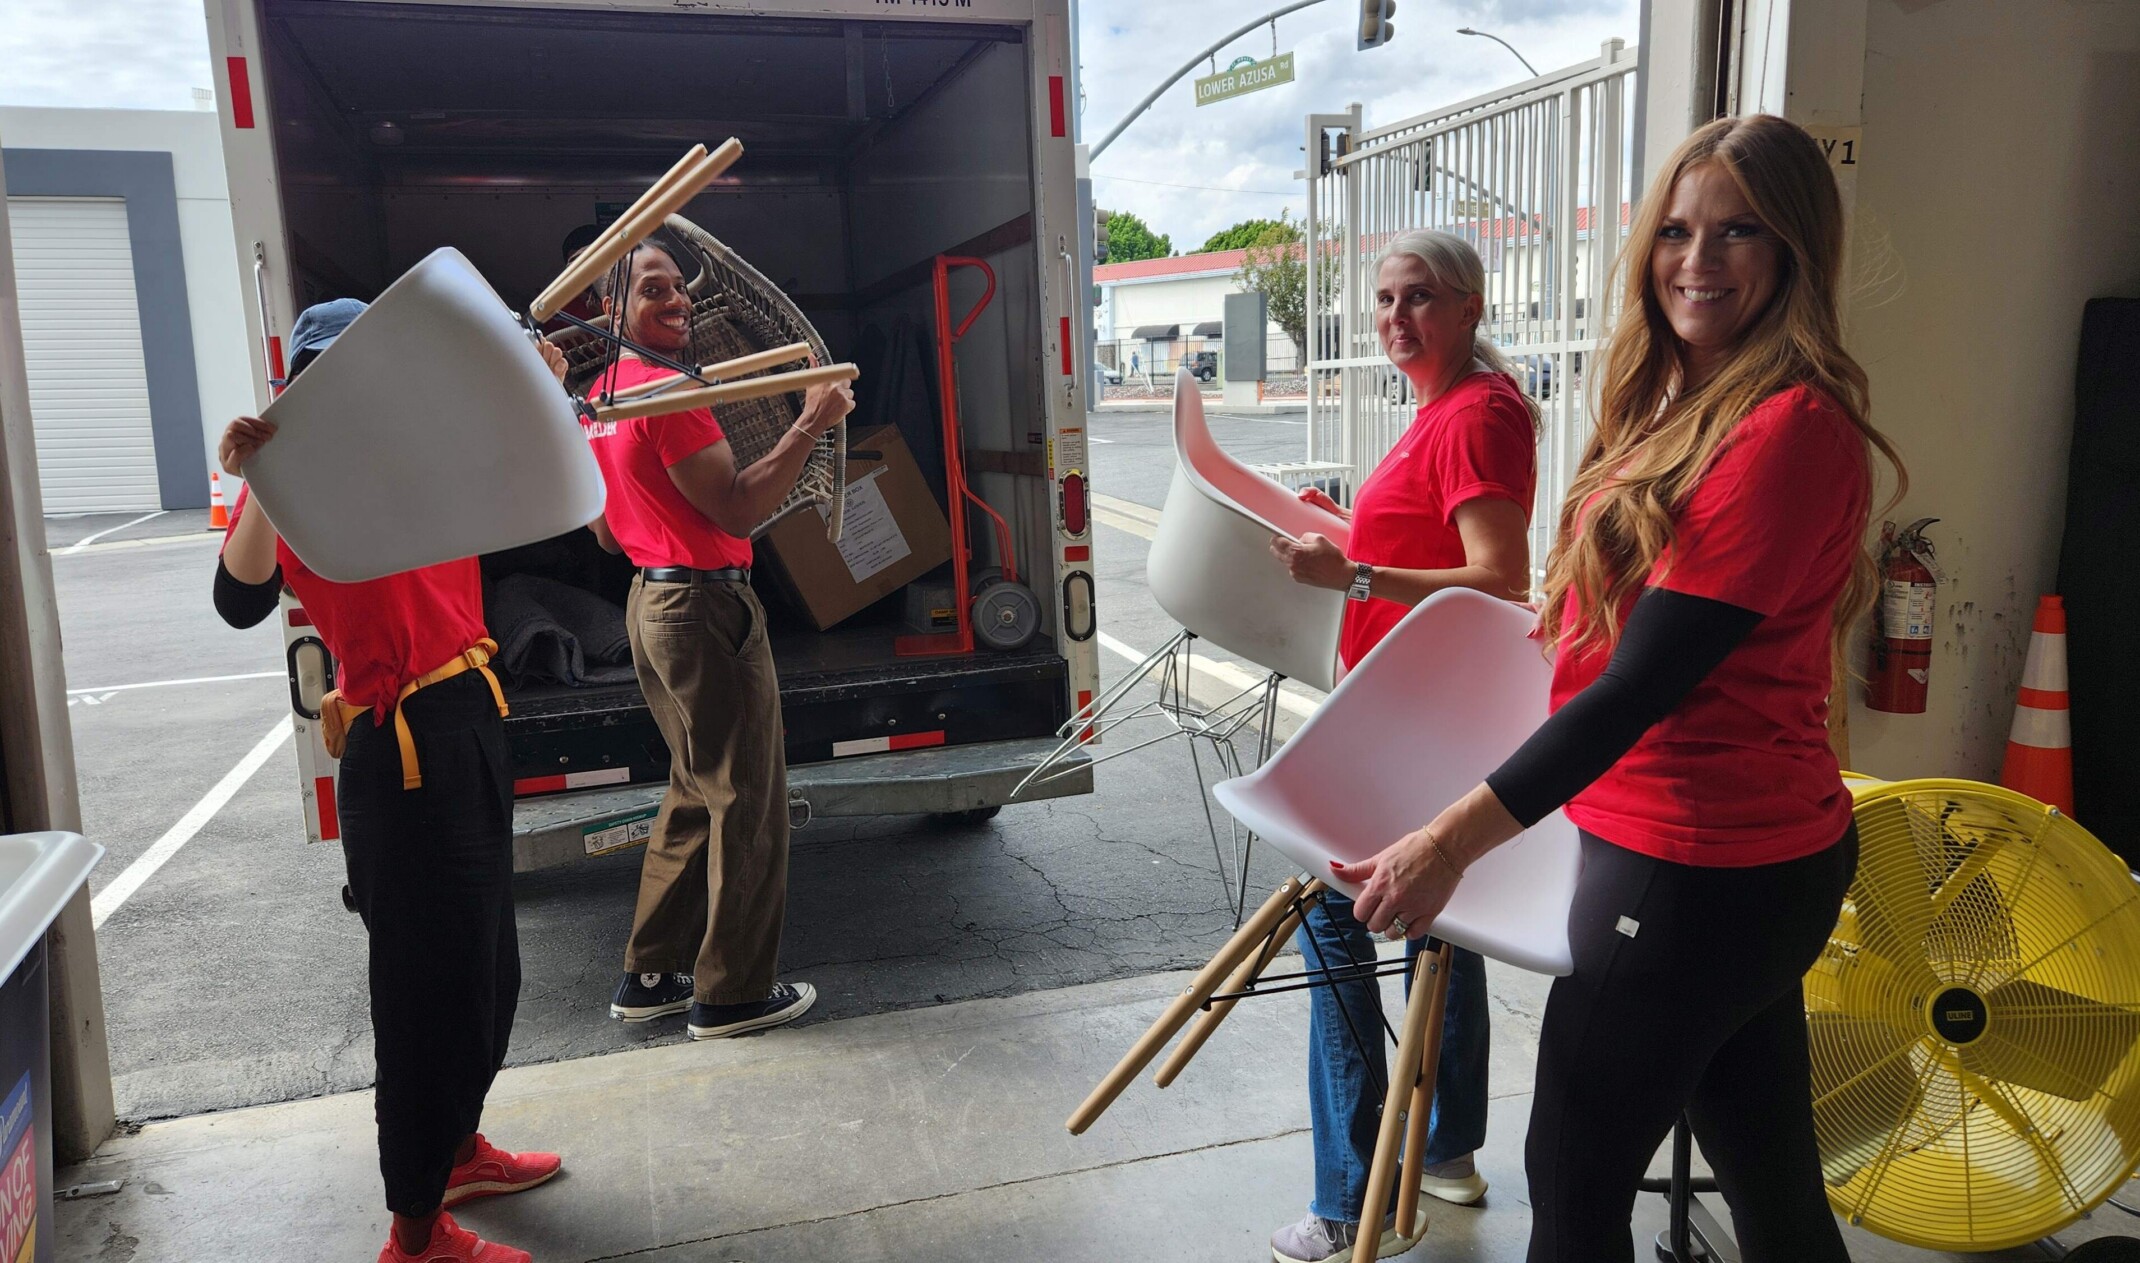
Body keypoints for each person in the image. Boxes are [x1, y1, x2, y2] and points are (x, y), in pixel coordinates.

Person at [1334, 115, 1904, 1263]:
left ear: (1795, 248)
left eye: (1738, 232)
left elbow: (1642, 687)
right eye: (1677, 231)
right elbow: (1604, 642)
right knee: (1770, 1178)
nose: (1697, 260)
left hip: (1698, 863)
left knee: (1574, 1184)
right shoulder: (1691, 403)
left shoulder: (1782, 427)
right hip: (1742, 861)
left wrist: (1448, 840)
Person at [214, 299, 568, 1263]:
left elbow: (539, 475)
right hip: (397, 745)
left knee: (491, 972)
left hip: (470, 719)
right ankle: (415, 1238)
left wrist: (534, 382)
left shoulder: (428, 455)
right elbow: (236, 601)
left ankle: (457, 1152)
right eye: (326, 384)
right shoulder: (302, 487)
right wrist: (258, 478)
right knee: (424, 999)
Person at [1264, 230, 1538, 1263]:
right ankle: (1445, 1150)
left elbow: (1500, 576)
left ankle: (1348, 1199)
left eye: (1418, 297)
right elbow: (1433, 544)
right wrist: (1357, 544)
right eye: (1383, 299)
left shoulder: (1474, 413)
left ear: (1468, 307)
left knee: (1334, 916)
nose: (1394, 317)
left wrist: (1358, 580)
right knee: (1437, 930)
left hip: (1415, 725)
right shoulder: (1448, 408)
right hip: (1416, 716)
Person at [581, 241, 854, 1040]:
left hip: (650, 603)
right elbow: (736, 510)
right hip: (703, 610)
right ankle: (732, 993)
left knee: (695, 787)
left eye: (679, 290)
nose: (676, 302)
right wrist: (810, 419)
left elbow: (603, 532)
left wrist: (654, 520)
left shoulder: (603, 395)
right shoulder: (665, 391)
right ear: (612, 311)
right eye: (651, 291)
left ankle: (651, 974)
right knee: (747, 798)